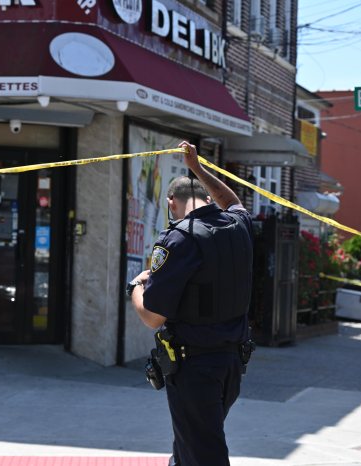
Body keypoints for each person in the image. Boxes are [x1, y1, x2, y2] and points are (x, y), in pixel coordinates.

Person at [128, 140, 254, 466]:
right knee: (189, 449)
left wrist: (136, 288)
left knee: (203, 454)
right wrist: (198, 168)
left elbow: (153, 317)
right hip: (232, 365)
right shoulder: (237, 225)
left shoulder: (181, 238)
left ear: (171, 203)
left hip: (196, 370)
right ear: (209, 198)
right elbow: (234, 201)